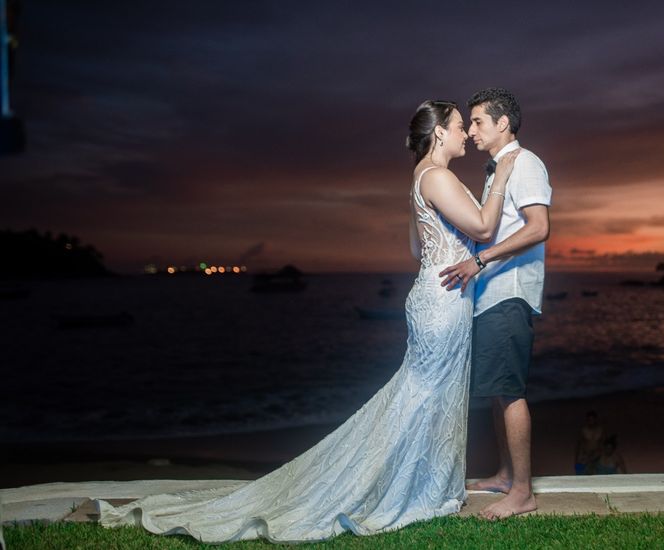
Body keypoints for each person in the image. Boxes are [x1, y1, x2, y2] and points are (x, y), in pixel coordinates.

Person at [95, 100, 519, 544]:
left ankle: (422, 488)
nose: (463, 134)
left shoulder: (420, 178)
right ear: (438, 135)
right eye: (456, 126)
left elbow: (418, 250)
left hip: (434, 296)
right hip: (444, 300)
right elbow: (486, 229)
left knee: (425, 397)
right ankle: (399, 490)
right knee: (424, 398)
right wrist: (501, 177)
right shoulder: (436, 175)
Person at [440, 88, 552, 520]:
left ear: (502, 123)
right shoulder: (497, 170)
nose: (470, 130)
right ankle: (506, 475)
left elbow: (539, 227)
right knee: (494, 390)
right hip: (490, 295)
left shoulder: (525, 163)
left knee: (510, 391)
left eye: (477, 122)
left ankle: (522, 491)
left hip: (510, 293)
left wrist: (479, 260)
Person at [574, 410, 605, 475]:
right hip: (586, 455)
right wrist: (576, 459)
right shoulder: (583, 430)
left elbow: (604, 444)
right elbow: (578, 445)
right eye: (589, 420)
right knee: (583, 473)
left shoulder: (600, 430)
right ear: (587, 420)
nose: (591, 421)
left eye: (592, 419)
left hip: (597, 455)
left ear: (595, 420)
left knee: (597, 473)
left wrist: (601, 454)